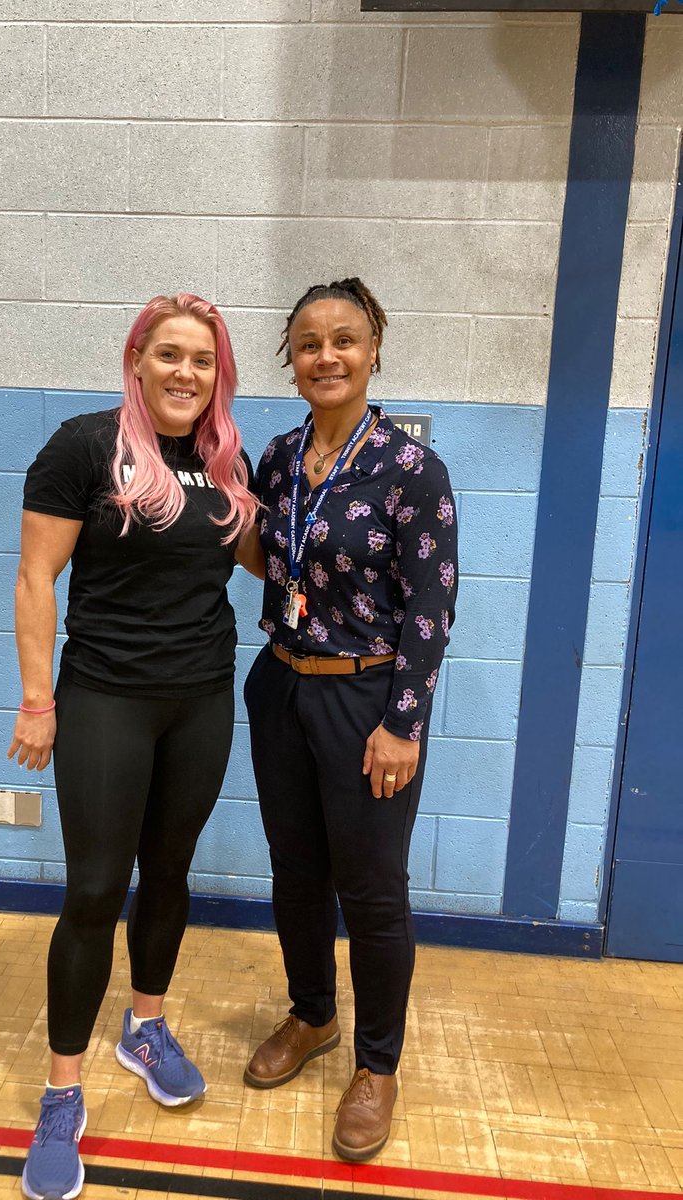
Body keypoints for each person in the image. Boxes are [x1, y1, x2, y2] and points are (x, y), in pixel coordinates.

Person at [9, 293, 258, 1200]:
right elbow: (37, 576)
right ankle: (61, 1094)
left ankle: (145, 1026)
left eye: (203, 359)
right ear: (138, 359)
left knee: (171, 872)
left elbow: (271, 558)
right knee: (93, 889)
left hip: (199, 700)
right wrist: (39, 701)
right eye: (170, 355)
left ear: (217, 373)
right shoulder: (84, 447)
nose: (185, 372)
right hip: (106, 697)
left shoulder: (228, 463)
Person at [242, 277, 458, 1162]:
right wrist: (223, 508)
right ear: (289, 361)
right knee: (295, 871)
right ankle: (312, 1015)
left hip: (369, 698)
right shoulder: (283, 456)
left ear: (373, 352)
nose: (325, 356)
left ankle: (378, 1065)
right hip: (281, 685)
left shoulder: (410, 469)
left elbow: (431, 608)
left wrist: (402, 723)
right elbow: (266, 559)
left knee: (371, 888)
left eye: (344, 341)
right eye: (307, 344)